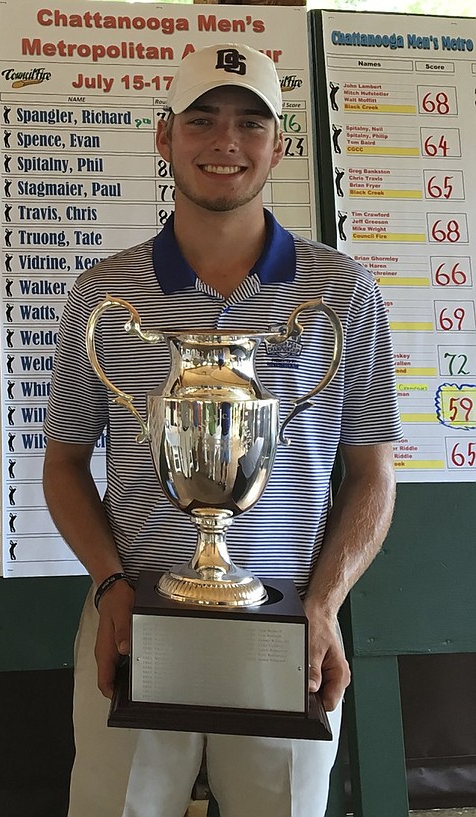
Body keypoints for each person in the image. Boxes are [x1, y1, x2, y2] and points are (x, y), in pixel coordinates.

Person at [42, 43, 401, 817]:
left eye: (249, 123)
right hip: (136, 623)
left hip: (287, 630)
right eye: (202, 120)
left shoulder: (344, 290)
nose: (225, 143)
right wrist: (109, 587)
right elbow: (65, 463)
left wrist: (324, 603)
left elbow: (372, 475)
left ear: (281, 144)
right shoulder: (103, 294)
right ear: (164, 136)